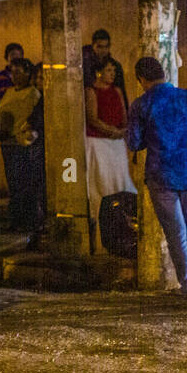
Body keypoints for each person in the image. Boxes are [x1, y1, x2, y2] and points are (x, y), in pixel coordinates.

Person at [125, 56, 187, 308]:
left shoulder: (142, 104)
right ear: (163, 74)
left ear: (141, 79)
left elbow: (134, 142)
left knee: (177, 234)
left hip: (161, 175)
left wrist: (152, 137)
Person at [84, 56, 135, 252]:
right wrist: (111, 131)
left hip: (116, 143)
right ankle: (100, 240)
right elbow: (93, 118)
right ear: (99, 72)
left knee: (121, 183)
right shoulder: (91, 91)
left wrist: (121, 131)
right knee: (102, 185)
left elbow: (124, 114)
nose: (112, 75)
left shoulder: (117, 91)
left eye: (114, 71)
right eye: (108, 71)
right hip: (98, 142)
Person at [0, 57, 43, 232]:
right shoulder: (10, 92)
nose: (14, 76)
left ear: (28, 74)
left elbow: (28, 117)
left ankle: (28, 219)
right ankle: (16, 219)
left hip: (22, 143)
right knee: (13, 184)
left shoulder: (32, 94)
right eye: (12, 72)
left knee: (25, 184)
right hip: (7, 143)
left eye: (18, 72)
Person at [0, 43, 24, 134]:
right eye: (12, 56)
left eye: (18, 57)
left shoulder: (27, 76)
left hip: (23, 125)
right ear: (7, 58)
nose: (15, 59)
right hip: (4, 126)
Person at [83, 29, 129, 104]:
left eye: (106, 47)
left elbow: (121, 91)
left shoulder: (115, 66)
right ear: (93, 46)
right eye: (99, 47)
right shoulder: (86, 64)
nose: (103, 50)